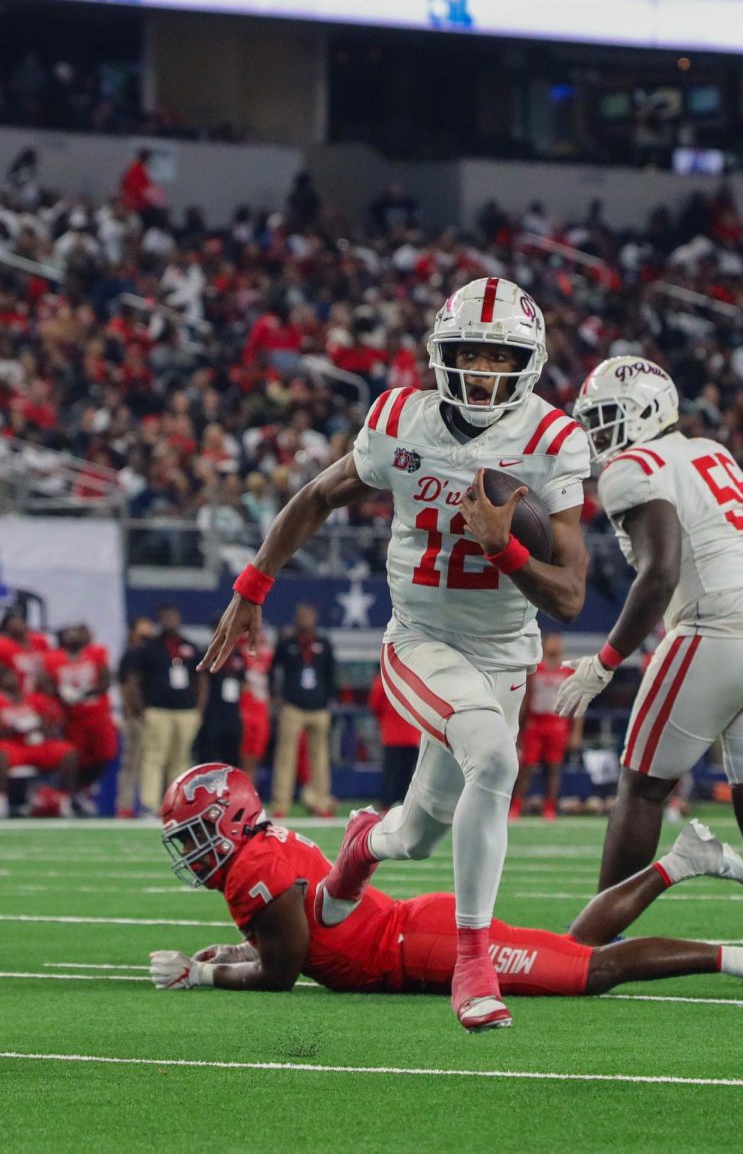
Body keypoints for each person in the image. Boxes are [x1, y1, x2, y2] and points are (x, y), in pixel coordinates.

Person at [199, 277, 590, 1032]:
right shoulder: (399, 421)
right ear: (442, 355)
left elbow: (570, 594)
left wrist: (503, 550)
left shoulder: (551, 441)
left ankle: (358, 848)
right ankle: (473, 964)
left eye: (498, 355)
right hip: (422, 638)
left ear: (528, 362)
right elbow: (316, 496)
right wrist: (252, 588)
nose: (481, 371)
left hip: (507, 652)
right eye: (469, 354)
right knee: (496, 760)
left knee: (418, 830)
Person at [558, 355, 743, 986]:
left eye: (608, 418)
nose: (599, 434)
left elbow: (661, 572)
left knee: (642, 788)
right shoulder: (711, 451)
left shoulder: (632, 466)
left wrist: (604, 661)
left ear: (648, 411)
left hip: (715, 627)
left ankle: (600, 935)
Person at [149, 763, 743, 1002]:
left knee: (590, 972)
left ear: (230, 818)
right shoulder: (259, 857)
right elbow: (286, 942)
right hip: (406, 940)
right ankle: (680, 861)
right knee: (573, 950)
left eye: (196, 831)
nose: (192, 848)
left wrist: (203, 975)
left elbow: (281, 973)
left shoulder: (254, 867)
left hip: (416, 945)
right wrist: (236, 951)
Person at [125, 605, 207, 817]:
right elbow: (134, 679)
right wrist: (139, 707)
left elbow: (202, 679)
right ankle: (149, 804)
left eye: (173, 617)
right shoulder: (149, 648)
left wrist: (199, 708)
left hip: (186, 711)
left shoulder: (189, 646)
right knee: (153, 757)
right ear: (160, 620)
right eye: (166, 617)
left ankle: (176, 805)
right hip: (158, 709)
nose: (170, 621)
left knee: (180, 759)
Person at [43, 625, 118, 814]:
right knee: (78, 758)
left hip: (98, 714)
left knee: (106, 754)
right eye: (69, 633)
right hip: (73, 718)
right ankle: (77, 794)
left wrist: (85, 693)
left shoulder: (96, 653)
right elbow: (46, 684)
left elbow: (105, 680)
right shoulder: (53, 658)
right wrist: (61, 693)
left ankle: (85, 789)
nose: (73, 637)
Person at [270, 605, 336, 818]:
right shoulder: (287, 643)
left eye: (308, 615)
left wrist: (328, 700)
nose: (305, 619)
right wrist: (276, 695)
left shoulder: (323, 644)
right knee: (285, 756)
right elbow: (273, 670)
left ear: (315, 618)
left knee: (320, 758)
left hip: (318, 707)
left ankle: (321, 802)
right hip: (293, 707)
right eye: (301, 616)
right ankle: (281, 804)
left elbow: (331, 674)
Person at [510, 632, 582, 821]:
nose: (556, 644)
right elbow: (525, 699)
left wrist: (576, 732)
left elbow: (577, 704)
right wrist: (518, 726)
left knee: (553, 768)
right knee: (527, 767)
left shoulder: (568, 671)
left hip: (557, 724)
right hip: (536, 723)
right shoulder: (535, 669)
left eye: (558, 641)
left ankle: (549, 807)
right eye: (552, 641)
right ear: (544, 644)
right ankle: (516, 805)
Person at [0, 663, 77, 818]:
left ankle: (64, 801)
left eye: (13, 676)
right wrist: (16, 728)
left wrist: (39, 726)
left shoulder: (33, 698)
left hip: (36, 744)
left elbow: (50, 726)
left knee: (68, 752)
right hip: (12, 745)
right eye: (7, 677)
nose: (13, 680)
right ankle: (1, 801)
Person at [115, 617, 155, 818]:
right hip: (137, 716)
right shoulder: (130, 656)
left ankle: (149, 805)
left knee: (150, 762)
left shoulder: (148, 655)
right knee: (132, 762)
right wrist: (133, 711)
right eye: (143, 635)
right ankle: (125, 806)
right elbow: (126, 685)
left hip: (153, 714)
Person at [367, 670, 421, 809]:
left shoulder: (385, 676)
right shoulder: (416, 677)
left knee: (391, 772)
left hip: (392, 734)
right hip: (411, 733)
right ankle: (405, 804)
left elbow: (374, 703)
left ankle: (388, 804)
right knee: (408, 772)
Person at [193, 627, 246, 768]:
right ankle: (203, 789)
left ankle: (229, 790)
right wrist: (199, 710)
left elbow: (242, 684)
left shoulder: (238, 656)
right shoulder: (205, 654)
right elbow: (200, 682)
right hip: (211, 714)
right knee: (206, 759)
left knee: (232, 760)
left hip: (232, 715)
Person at [239, 635, 273, 789]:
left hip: (261, 712)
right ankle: (245, 790)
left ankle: (252, 791)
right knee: (244, 757)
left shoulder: (268, 656)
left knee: (256, 756)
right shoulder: (240, 654)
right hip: (246, 710)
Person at [0, 607, 52, 695]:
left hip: (41, 693)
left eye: (18, 622)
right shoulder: (3, 645)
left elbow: (49, 664)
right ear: (6, 628)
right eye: (12, 623)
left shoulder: (40, 641)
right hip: (18, 694)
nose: (16, 626)